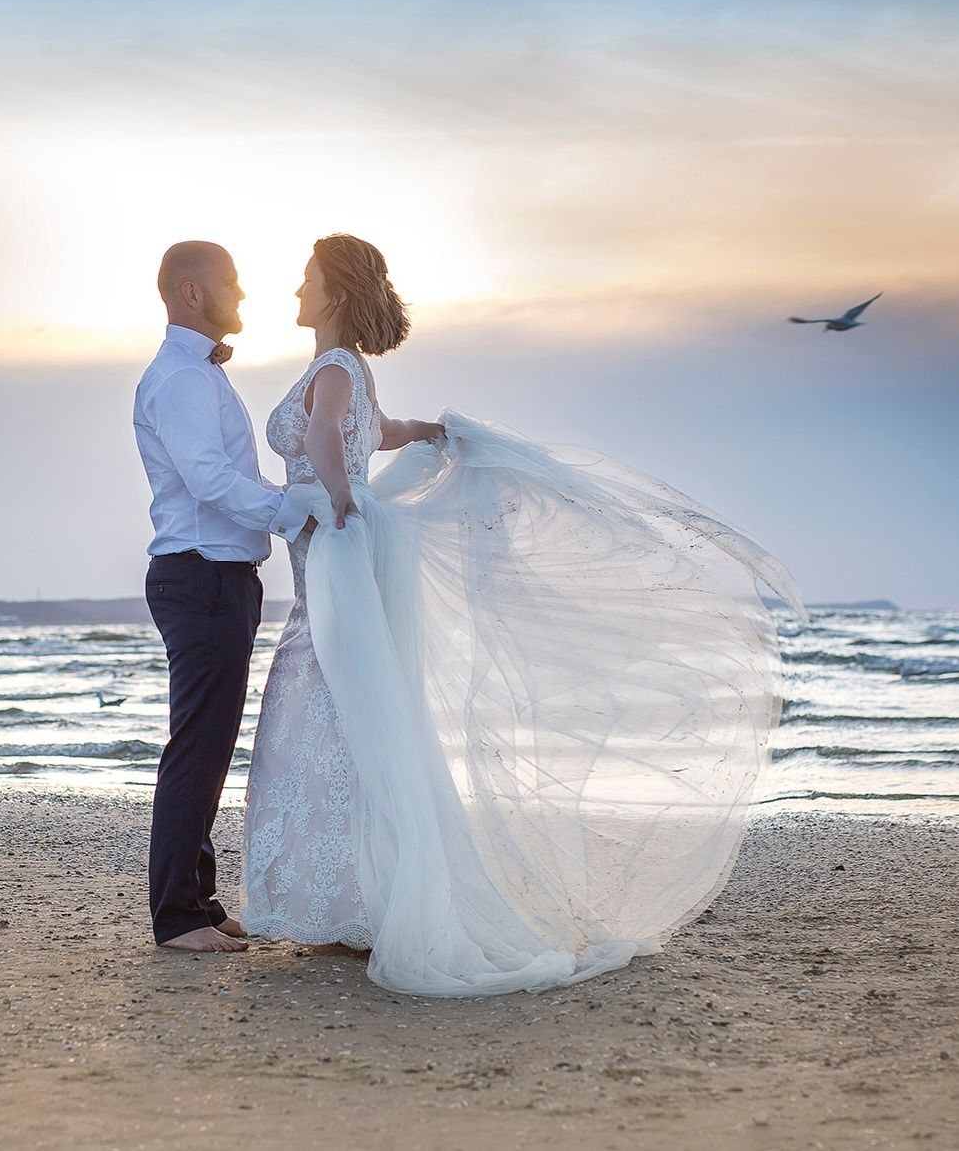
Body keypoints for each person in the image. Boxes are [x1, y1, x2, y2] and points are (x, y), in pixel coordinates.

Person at [240, 233, 805, 996]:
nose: (294, 293)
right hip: (331, 551)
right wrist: (429, 436)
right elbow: (378, 434)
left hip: (333, 549)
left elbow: (322, 438)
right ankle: (349, 902)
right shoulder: (347, 371)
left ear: (333, 293)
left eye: (305, 280)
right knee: (338, 713)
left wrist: (338, 501)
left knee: (322, 706)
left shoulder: (336, 369)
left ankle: (347, 904)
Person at [133, 241, 312, 953]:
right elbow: (208, 479)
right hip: (199, 572)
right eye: (231, 284)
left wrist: (282, 508)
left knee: (208, 745)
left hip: (217, 576)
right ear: (192, 292)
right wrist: (293, 510)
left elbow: (221, 477)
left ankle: (199, 903)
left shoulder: (195, 375)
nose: (242, 296)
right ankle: (176, 918)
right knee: (198, 747)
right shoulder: (179, 380)